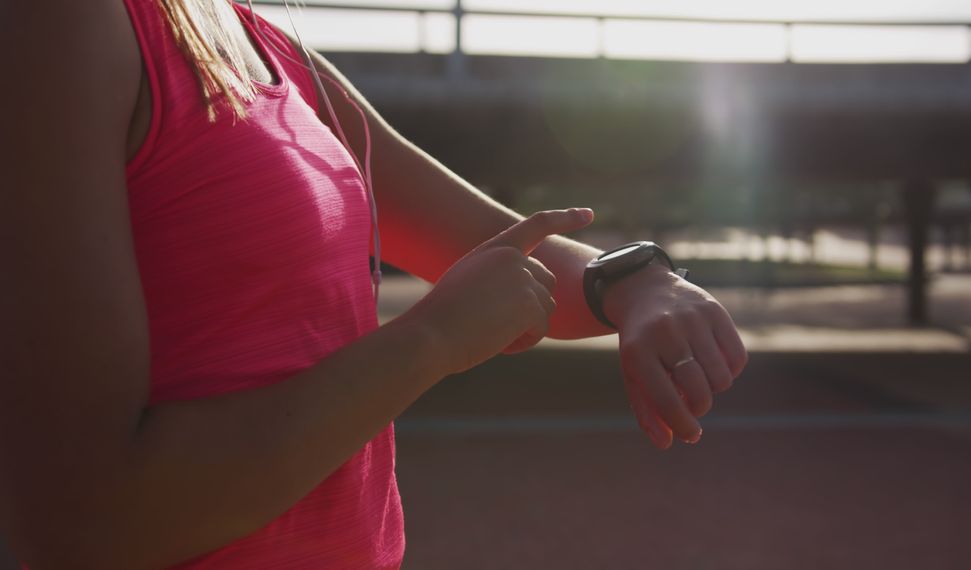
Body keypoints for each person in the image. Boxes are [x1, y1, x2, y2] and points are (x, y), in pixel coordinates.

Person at [0, 0, 747, 567]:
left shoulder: (263, 44)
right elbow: (82, 520)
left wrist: (643, 281)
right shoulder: (62, 25)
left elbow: (507, 250)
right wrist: (431, 341)